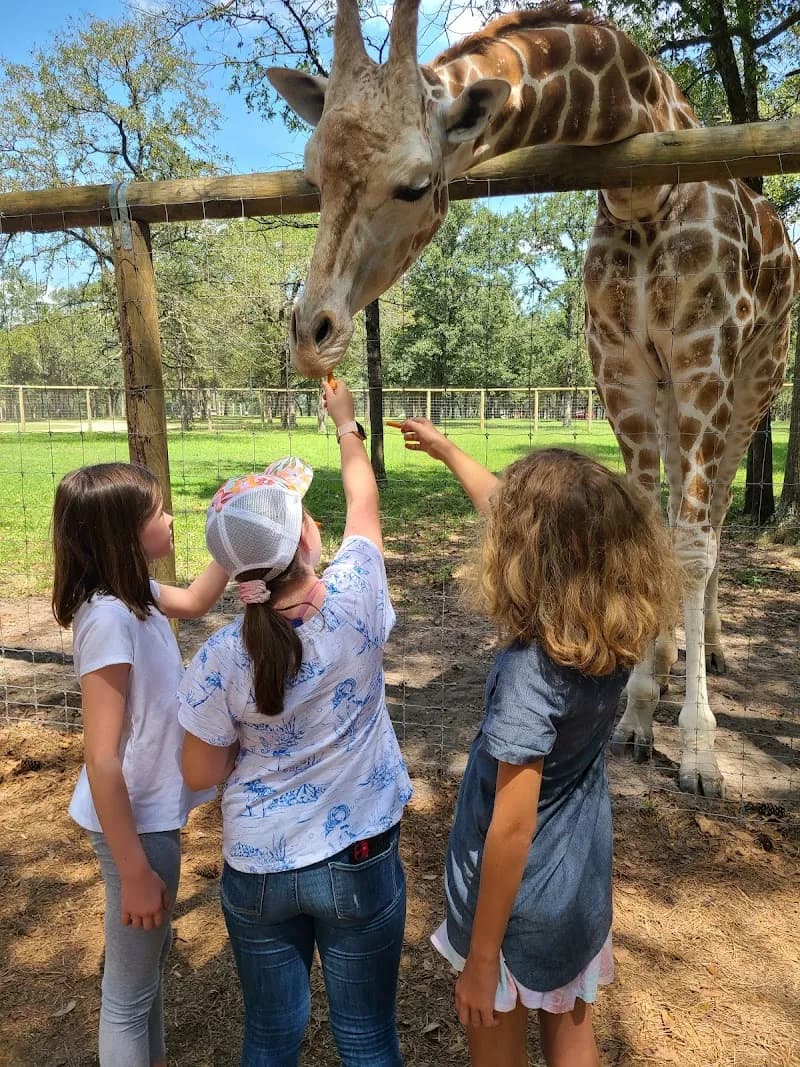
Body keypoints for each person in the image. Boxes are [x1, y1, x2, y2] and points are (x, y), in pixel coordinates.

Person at [389, 418, 681, 1067]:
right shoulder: (607, 631)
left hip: (513, 910)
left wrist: (484, 957)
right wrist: (446, 450)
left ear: (525, 555)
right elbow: (517, 514)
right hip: (576, 890)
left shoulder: (532, 669)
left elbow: (511, 828)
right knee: (574, 1040)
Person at [179, 380, 413, 1067]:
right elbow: (364, 502)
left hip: (256, 869)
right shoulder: (357, 592)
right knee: (367, 1035)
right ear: (309, 536)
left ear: (230, 572)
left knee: (272, 1034)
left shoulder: (221, 657)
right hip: (360, 859)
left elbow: (198, 773)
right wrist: (347, 425)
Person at [51, 461, 229, 1067]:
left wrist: (240, 533)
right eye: (158, 512)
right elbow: (100, 758)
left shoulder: (138, 594)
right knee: (128, 997)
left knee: (145, 985)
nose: (171, 519)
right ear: (123, 534)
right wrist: (132, 870)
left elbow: (201, 598)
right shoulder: (107, 619)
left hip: (149, 820)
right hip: (134, 828)